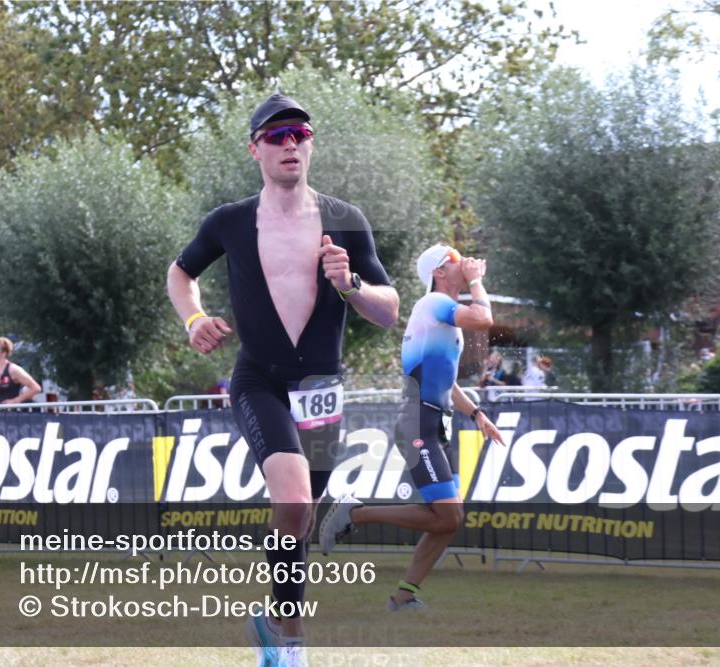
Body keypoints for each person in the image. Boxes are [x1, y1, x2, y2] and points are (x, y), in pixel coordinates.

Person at [166, 92, 399, 667]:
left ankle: (273, 624)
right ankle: (292, 647)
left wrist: (350, 287)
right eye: (277, 136)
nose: (291, 142)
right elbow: (180, 272)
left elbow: (390, 308)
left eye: (300, 133)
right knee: (292, 498)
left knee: (303, 513)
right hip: (259, 379)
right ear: (256, 150)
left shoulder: (346, 221)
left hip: (322, 385)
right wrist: (194, 319)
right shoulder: (229, 221)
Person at [319, 244, 505, 611]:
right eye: (456, 259)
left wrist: (477, 414)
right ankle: (354, 513)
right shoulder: (434, 304)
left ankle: (404, 596)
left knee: (448, 521)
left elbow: (447, 385)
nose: (463, 262)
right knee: (448, 515)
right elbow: (484, 319)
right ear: (440, 271)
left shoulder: (441, 318)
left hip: (432, 421)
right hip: (419, 420)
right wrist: (478, 280)